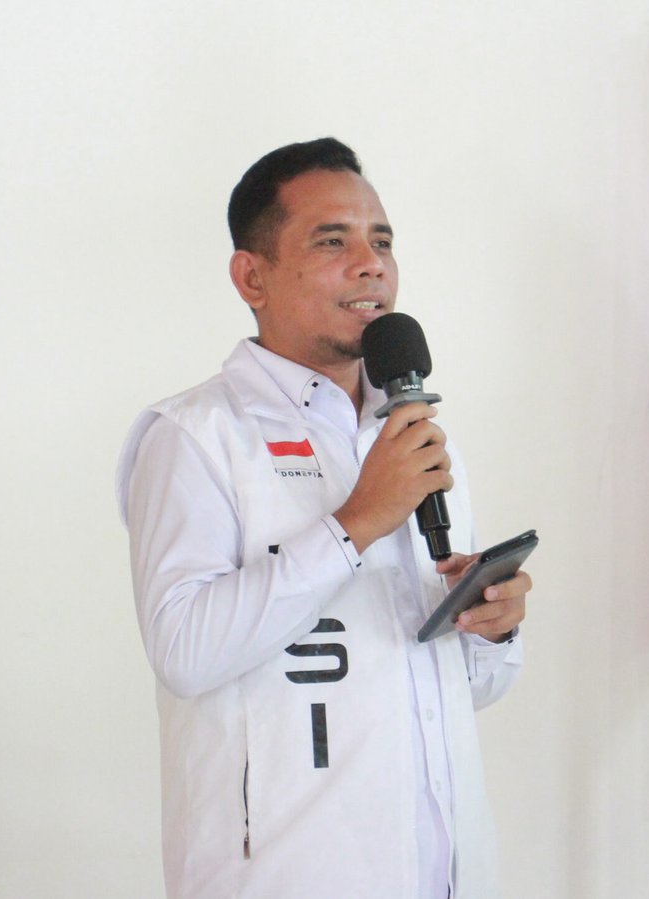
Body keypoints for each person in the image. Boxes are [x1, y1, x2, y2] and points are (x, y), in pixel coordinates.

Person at [116, 137, 530, 898]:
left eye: (383, 242)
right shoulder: (196, 435)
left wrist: (490, 627)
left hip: (443, 872)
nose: (371, 264)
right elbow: (183, 650)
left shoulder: (411, 434)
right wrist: (355, 523)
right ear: (253, 276)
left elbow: (457, 690)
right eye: (333, 241)